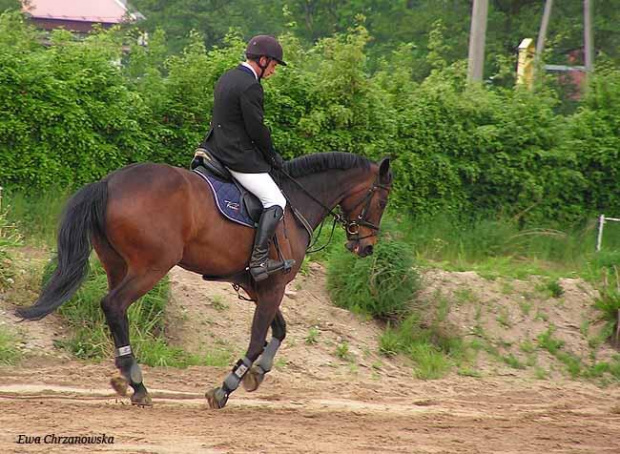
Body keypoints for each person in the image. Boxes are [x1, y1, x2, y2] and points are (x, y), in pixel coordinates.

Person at [199, 35, 293, 282]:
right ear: (262, 60)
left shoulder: (228, 76)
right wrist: (272, 156)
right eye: (273, 66)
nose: (273, 71)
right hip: (236, 156)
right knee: (275, 201)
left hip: (213, 148)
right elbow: (256, 129)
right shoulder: (251, 86)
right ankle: (259, 261)